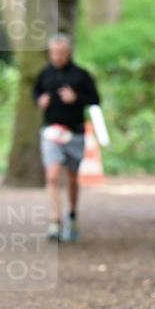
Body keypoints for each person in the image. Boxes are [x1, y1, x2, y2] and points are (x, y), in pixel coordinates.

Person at [33, 34, 100, 242]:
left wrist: (76, 98)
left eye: (61, 53)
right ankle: (54, 221)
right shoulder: (45, 74)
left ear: (69, 53)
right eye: (54, 53)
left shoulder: (81, 75)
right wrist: (40, 99)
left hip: (75, 133)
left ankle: (72, 215)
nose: (57, 57)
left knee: (72, 178)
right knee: (52, 175)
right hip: (51, 132)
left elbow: (95, 100)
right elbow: (35, 92)